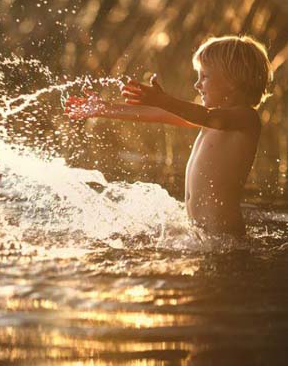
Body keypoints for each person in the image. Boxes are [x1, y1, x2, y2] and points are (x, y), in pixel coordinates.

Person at [64, 35, 273, 236]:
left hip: (225, 236)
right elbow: (160, 114)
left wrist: (163, 100)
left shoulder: (246, 119)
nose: (197, 85)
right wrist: (104, 109)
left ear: (232, 81)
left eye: (205, 76)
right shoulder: (212, 121)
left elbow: (205, 115)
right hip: (203, 236)